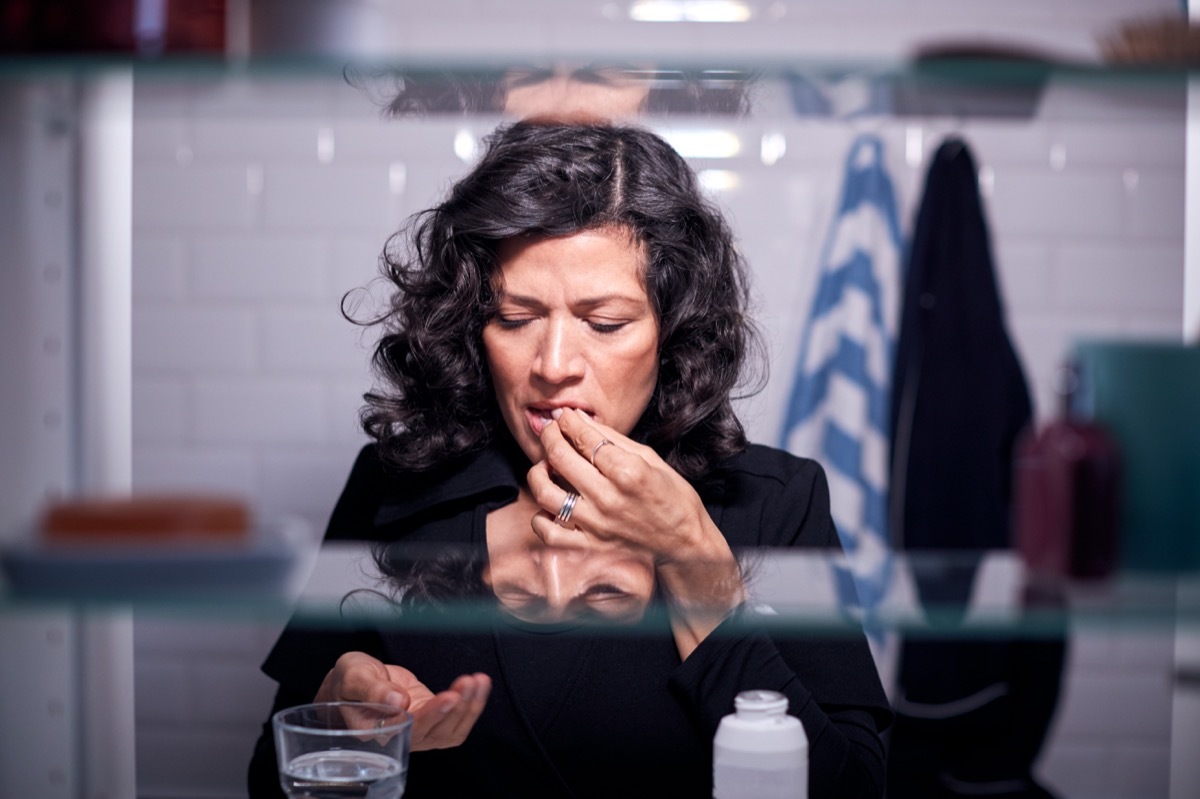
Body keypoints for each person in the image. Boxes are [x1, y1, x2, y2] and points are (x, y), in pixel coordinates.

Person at [247, 119, 892, 799]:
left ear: (672, 332)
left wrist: (696, 565)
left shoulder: (776, 503)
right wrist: (339, 713)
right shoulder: (391, 485)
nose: (553, 367)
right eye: (516, 318)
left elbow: (853, 788)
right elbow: (270, 779)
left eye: (605, 323)